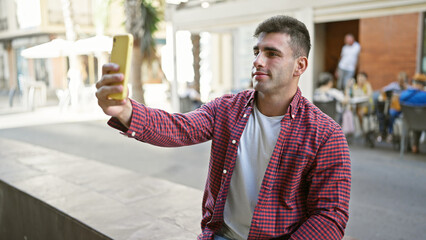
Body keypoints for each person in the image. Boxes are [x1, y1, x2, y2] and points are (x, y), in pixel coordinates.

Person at [96, 15, 351, 240]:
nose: (258, 61)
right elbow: (180, 128)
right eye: (256, 51)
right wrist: (126, 111)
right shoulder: (227, 108)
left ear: (300, 66)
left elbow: (330, 216)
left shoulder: (325, 134)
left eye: (272, 53)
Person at [399, 73, 426, 153]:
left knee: (416, 119)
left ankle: (410, 145)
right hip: (423, 123)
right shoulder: (424, 96)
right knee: (421, 119)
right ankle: (415, 145)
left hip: (408, 122)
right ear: (423, 85)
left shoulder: (403, 95)